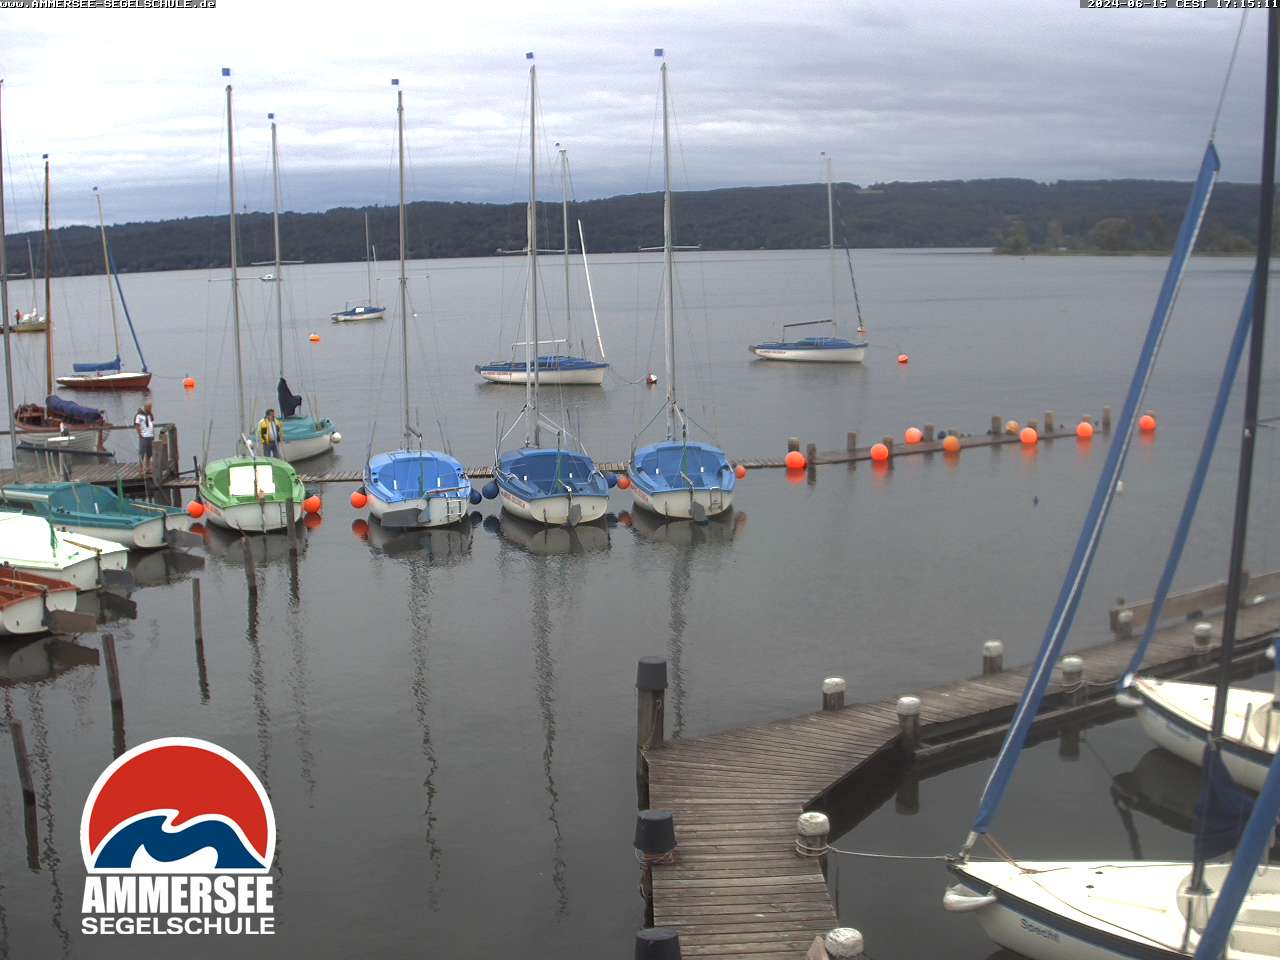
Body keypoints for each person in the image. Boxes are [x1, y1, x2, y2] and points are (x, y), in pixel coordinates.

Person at [134, 400, 154, 475]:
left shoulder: (150, 414)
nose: (150, 409)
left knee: (149, 453)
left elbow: (151, 422)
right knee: (142, 452)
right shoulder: (139, 415)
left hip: (150, 435)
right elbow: (137, 425)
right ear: (145, 407)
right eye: (149, 407)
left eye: (151, 407)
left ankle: (148, 468)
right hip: (143, 436)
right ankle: (141, 469)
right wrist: (140, 433)